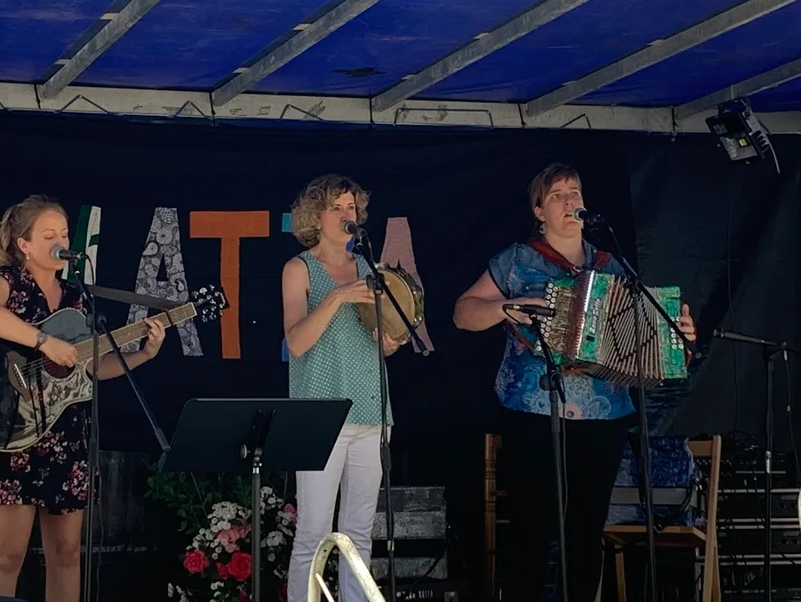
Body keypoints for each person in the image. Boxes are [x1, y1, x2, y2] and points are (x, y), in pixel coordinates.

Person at [453, 163, 697, 602]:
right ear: (539, 211)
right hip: (533, 411)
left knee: (586, 529)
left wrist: (676, 337)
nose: (569, 201)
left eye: (575, 192)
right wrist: (506, 307)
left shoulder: (612, 266)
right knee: (530, 525)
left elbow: (645, 340)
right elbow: (463, 313)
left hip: (604, 415)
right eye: (557, 195)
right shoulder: (517, 260)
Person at [0, 195, 167, 602]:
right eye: (48, 235)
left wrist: (143, 353)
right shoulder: (7, 281)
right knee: (8, 556)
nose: (60, 242)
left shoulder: (77, 297)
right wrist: (44, 341)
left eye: (63, 234)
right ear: (23, 244)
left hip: (66, 434)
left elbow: (90, 367)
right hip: (15, 430)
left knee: (67, 555)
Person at [282, 174, 401, 602]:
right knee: (312, 533)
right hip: (319, 414)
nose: (347, 214)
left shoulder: (370, 269)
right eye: (336, 207)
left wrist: (389, 341)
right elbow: (296, 342)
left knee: (359, 533)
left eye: (351, 207)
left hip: (370, 410)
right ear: (315, 216)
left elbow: (378, 341)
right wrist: (336, 296)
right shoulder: (299, 269)